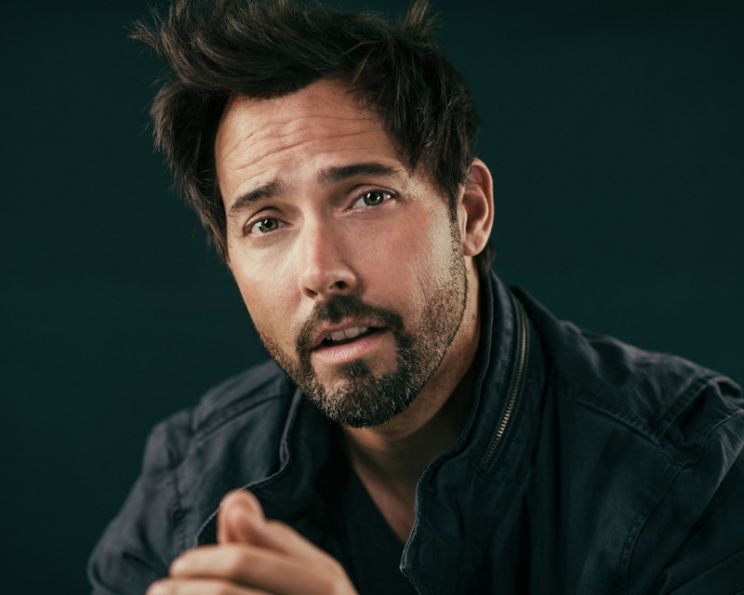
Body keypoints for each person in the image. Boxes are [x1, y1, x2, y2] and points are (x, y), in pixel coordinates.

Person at [89, 1, 744, 593]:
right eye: (266, 223)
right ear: (230, 260)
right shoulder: (186, 486)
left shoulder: (691, 470)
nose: (321, 271)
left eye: (368, 197)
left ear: (470, 211)